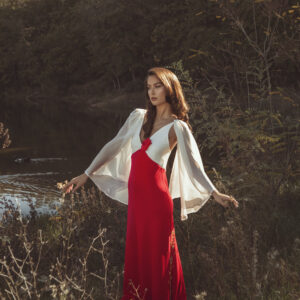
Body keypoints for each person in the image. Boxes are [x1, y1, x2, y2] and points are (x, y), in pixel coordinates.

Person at [61, 67, 239, 300]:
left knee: (158, 259)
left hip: (157, 203)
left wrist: (214, 193)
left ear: (170, 88)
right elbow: (114, 145)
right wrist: (86, 173)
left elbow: (194, 166)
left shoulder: (178, 127)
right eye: (148, 87)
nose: (152, 92)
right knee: (138, 256)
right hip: (137, 203)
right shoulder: (138, 117)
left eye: (158, 86)